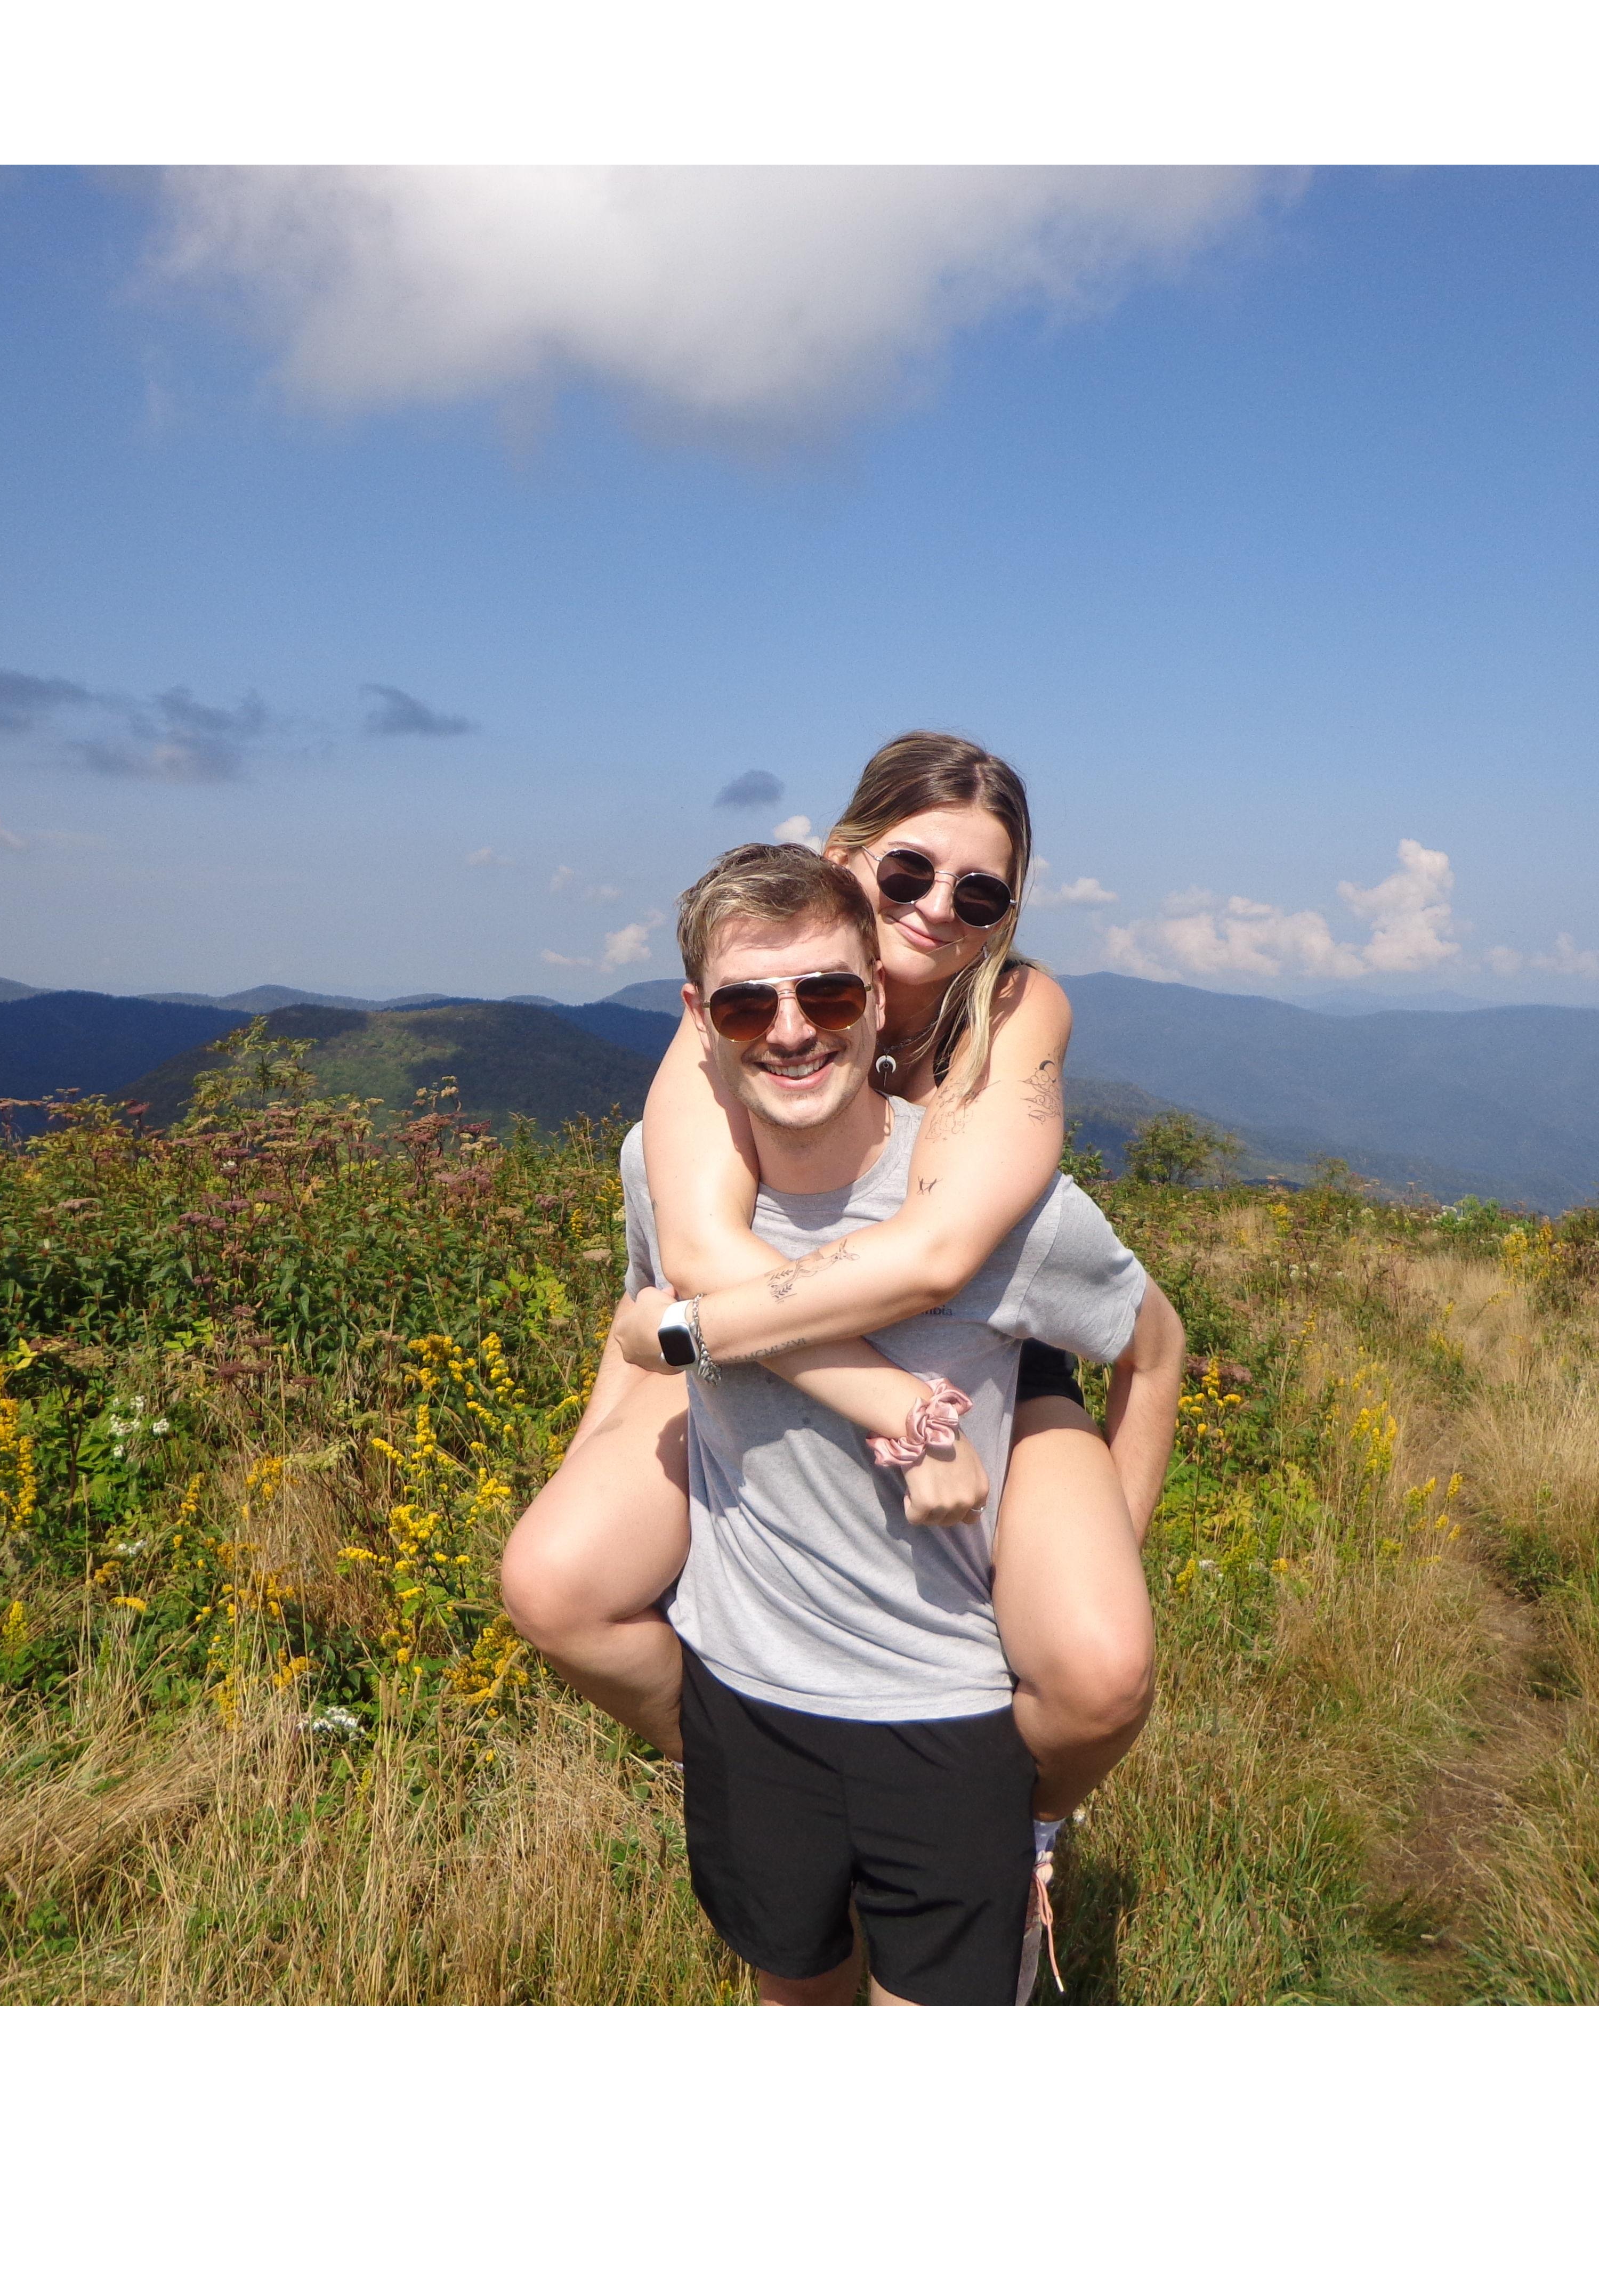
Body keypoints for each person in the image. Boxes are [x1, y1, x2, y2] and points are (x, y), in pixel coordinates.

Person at [503, 735, 1176, 1857]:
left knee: (1101, 1674)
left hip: (989, 1344)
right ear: (842, 858)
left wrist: (1115, 1545)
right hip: (749, 1317)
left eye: (979, 893)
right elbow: (692, 1249)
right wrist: (883, 1398)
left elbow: (937, 1258)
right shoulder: (749, 998)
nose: (937, 910)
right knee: (554, 1585)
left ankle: (1026, 1831)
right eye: (907, 872)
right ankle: (749, 1778)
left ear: (1008, 913)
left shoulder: (1012, 1008)